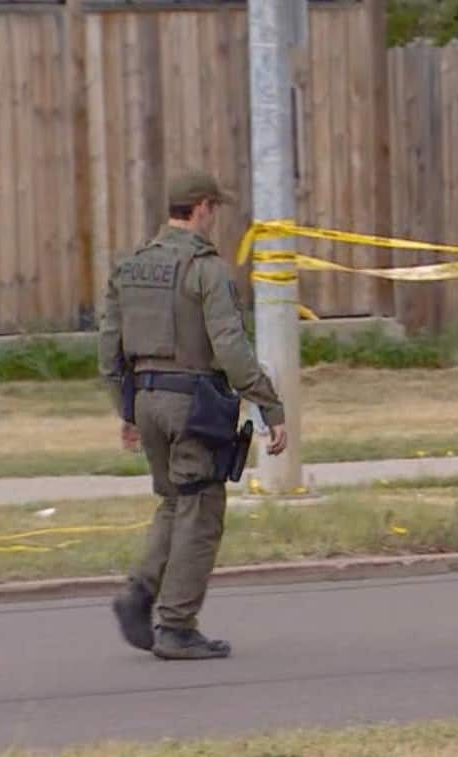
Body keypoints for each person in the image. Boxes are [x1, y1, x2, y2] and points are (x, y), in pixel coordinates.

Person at [99, 170, 288, 660]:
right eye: (214, 208)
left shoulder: (131, 267)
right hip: (193, 405)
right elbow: (230, 345)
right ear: (202, 207)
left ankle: (140, 593)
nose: (215, 217)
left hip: (146, 399)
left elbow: (109, 347)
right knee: (201, 510)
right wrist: (268, 404)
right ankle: (177, 625)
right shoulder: (205, 269)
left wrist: (127, 410)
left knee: (173, 500)